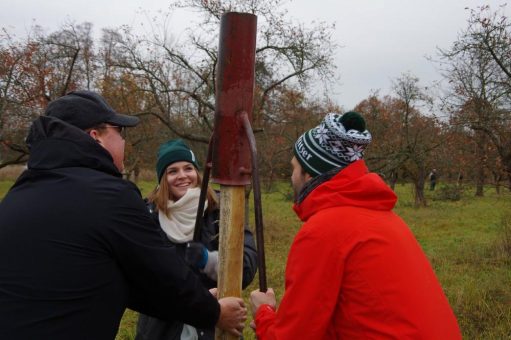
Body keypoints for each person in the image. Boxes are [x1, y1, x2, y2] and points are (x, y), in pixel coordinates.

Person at [0, 91, 246, 340]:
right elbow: (163, 276)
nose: (124, 141)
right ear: (96, 137)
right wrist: (214, 313)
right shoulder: (109, 197)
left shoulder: (17, 195)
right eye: (119, 131)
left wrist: (201, 303)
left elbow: (127, 284)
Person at [249, 112, 461, 339]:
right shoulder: (387, 219)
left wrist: (264, 314)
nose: (292, 176)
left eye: (293, 168)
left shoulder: (323, 231)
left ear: (308, 173)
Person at [136, 139, 258, 340]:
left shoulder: (221, 209)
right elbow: (144, 279)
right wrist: (199, 300)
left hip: (215, 327)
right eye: (172, 171)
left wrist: (209, 262)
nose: (182, 176)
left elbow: (245, 267)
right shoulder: (149, 217)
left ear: (198, 173)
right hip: (162, 330)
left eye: (188, 168)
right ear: (162, 179)